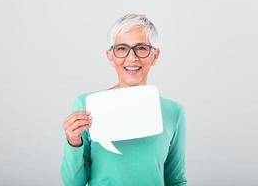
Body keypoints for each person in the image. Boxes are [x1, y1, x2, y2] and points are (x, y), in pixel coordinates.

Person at [61, 13, 187, 186]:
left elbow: (175, 180)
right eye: (122, 48)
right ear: (110, 56)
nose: (132, 57)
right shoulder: (87, 105)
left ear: (155, 55)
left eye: (141, 48)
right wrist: (73, 141)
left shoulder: (174, 112)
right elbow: (73, 183)